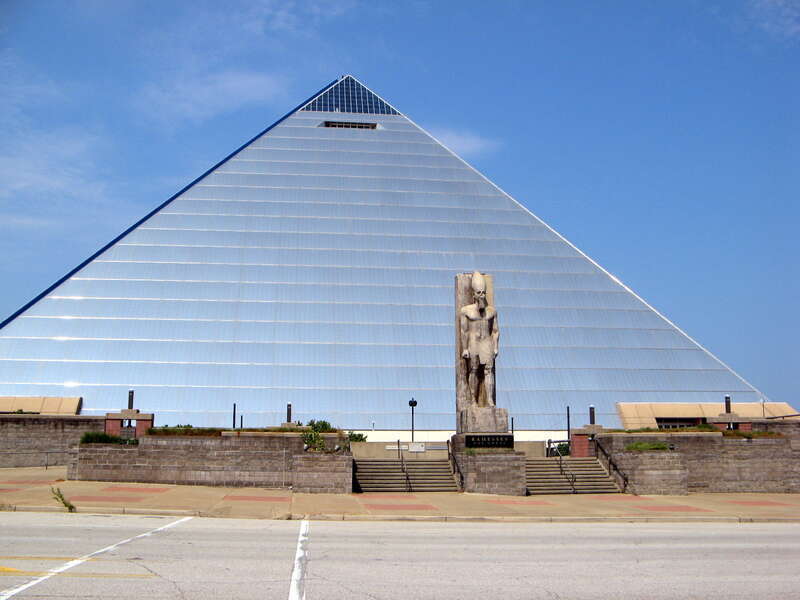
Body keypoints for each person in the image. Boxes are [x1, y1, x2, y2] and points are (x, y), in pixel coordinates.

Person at [459, 271, 499, 407]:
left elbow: (495, 330)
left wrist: (495, 347)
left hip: (486, 342)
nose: (482, 295)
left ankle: (489, 400)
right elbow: (463, 331)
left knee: (489, 370)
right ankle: (473, 400)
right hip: (473, 342)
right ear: (474, 294)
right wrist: (464, 348)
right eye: (479, 293)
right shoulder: (466, 311)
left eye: (483, 293)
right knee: (474, 370)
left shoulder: (492, 311)